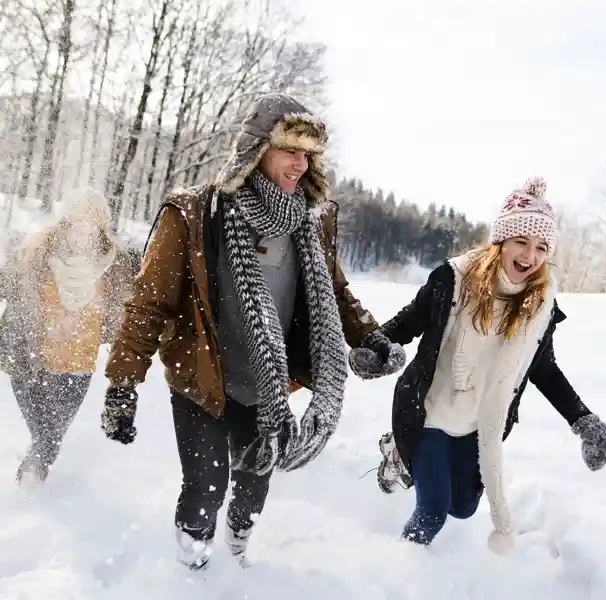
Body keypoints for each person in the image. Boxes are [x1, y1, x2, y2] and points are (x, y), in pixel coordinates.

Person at [100, 92, 405, 570]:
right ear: (258, 148)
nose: (300, 165)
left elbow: (335, 290)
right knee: (205, 485)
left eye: (309, 154)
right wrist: (122, 384)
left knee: (254, 483)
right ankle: (194, 559)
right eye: (291, 151)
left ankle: (238, 541)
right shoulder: (197, 214)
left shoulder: (313, 219)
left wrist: (370, 337)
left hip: (269, 385)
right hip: (202, 378)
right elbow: (148, 304)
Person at [349, 177, 606, 555]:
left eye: (542, 247)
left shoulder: (540, 309)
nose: (531, 255)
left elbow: (544, 370)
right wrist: (376, 348)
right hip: (428, 413)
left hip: (478, 424)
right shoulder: (452, 281)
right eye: (522, 242)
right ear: (501, 242)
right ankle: (397, 572)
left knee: (462, 507)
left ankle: (400, 454)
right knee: (433, 512)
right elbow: (407, 322)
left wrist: (583, 421)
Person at [0, 188, 137, 485]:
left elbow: (129, 311)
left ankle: (35, 467)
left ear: (100, 232)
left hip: (77, 367)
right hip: (30, 361)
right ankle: (34, 470)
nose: (82, 235)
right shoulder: (35, 256)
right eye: (76, 226)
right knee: (44, 430)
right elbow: (6, 285)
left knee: (53, 430)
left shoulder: (115, 267)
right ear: (64, 226)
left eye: (90, 228)